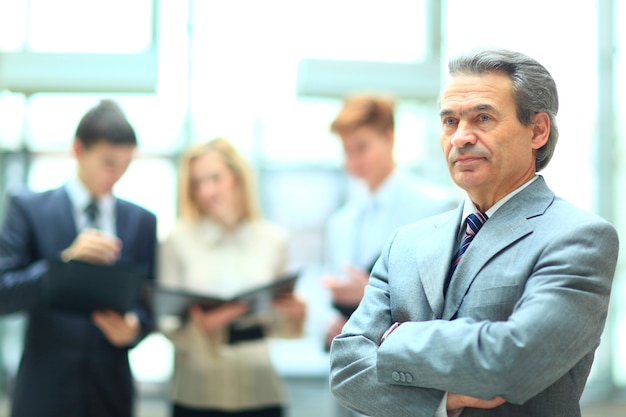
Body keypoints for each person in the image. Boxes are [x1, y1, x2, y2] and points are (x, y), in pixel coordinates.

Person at [329, 48, 620, 417]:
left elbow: (514, 362)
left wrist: (394, 338)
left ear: (538, 130)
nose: (461, 137)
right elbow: (346, 368)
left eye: (483, 118)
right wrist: (442, 401)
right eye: (450, 121)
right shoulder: (405, 242)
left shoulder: (579, 237)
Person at [0, 99, 157, 417]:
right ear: (77, 150)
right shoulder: (28, 208)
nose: (116, 175)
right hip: (43, 392)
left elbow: (150, 302)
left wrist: (135, 328)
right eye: (108, 163)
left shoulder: (141, 221)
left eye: (125, 165)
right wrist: (64, 263)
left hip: (111, 394)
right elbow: (4, 294)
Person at [157, 138, 306, 417]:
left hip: (259, 391)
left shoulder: (272, 239)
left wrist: (293, 313)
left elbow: (280, 327)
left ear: (237, 178)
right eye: (198, 183)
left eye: (215, 178)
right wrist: (205, 324)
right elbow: (165, 321)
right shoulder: (177, 239)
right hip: (196, 394)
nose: (207, 191)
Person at [321, 94, 457, 349]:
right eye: (346, 150)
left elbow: (447, 303)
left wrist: (370, 298)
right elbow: (324, 294)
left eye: (361, 147)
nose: (353, 161)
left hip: (411, 364)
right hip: (352, 364)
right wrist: (328, 323)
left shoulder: (437, 207)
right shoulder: (340, 222)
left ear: (390, 137)